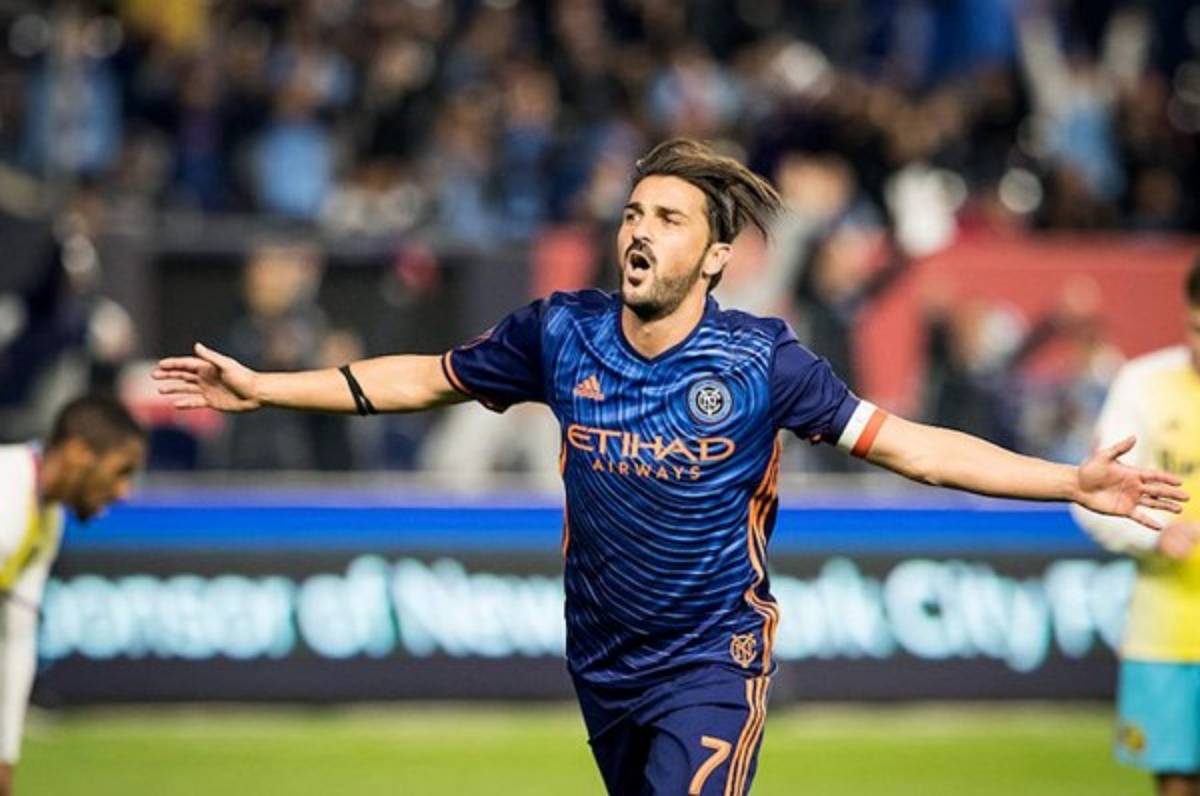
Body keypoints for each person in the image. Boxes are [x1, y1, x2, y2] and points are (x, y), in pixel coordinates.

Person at [154, 138, 1186, 796]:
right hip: (602, 661)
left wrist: (1068, 481)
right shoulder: (559, 333)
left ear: (716, 256)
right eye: (633, 213)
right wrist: (265, 385)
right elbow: (425, 377)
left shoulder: (764, 362)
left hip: (712, 661)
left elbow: (914, 445)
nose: (640, 232)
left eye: (669, 218)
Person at [1071, 259, 1200, 796]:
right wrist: (1156, 534)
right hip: (1167, 631)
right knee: (1177, 784)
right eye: (1196, 328)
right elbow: (1091, 497)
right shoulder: (1145, 384)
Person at [0, 394, 146, 796]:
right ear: (79, 452)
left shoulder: (45, 516)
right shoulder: (6, 497)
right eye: (121, 471)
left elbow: (17, 639)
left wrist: (5, 757)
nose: (123, 492)